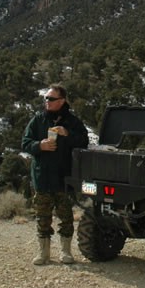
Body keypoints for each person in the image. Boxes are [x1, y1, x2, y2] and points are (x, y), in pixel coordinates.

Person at [21, 83, 89, 265]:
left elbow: (84, 142)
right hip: (42, 178)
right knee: (43, 217)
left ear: (62, 101)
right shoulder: (38, 120)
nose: (47, 102)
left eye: (51, 99)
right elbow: (25, 143)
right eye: (46, 98)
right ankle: (43, 253)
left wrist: (67, 134)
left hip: (64, 179)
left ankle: (65, 252)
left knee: (65, 217)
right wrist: (39, 146)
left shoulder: (72, 122)